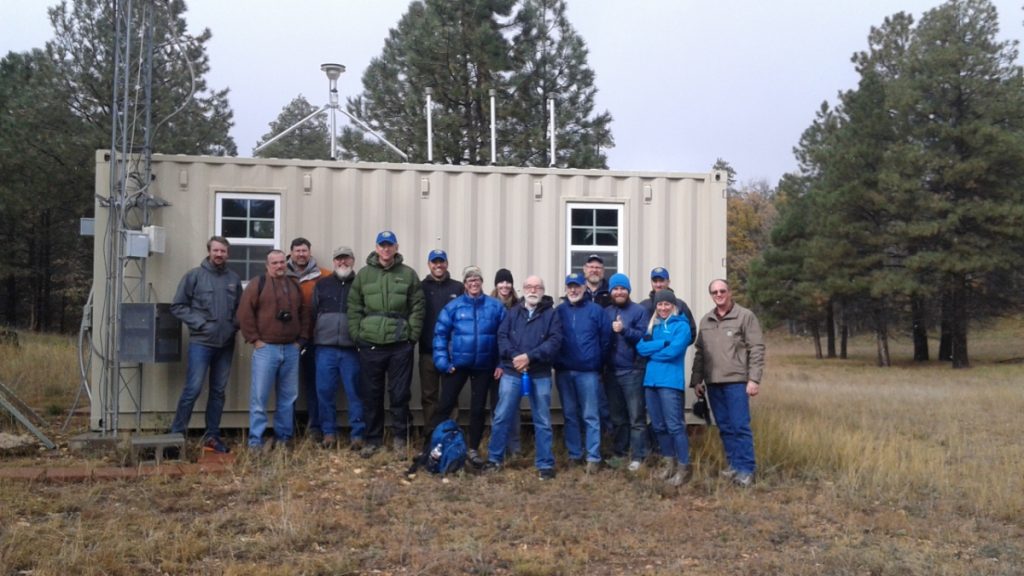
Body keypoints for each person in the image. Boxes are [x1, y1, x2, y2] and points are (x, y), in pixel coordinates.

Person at [414, 265, 505, 469]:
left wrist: (501, 363)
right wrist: (443, 363)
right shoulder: (453, 307)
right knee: (444, 406)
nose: (474, 283)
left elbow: (504, 337)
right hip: (458, 365)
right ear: (464, 284)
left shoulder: (495, 307)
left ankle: (473, 449)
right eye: (470, 280)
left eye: (477, 279)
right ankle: (429, 446)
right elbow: (440, 335)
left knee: (478, 409)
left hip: (484, 366)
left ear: (482, 282)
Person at [347, 230, 425, 458]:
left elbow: (418, 307)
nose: (386, 249)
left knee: (399, 394)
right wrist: (357, 336)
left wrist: (411, 337)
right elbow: (353, 307)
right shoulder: (364, 275)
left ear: (396, 247)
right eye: (382, 245)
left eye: (390, 245)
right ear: (376, 248)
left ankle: (400, 439)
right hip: (370, 344)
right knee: (371, 394)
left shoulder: (408, 274)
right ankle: (373, 440)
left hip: (399, 345)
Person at [484, 275, 563, 480]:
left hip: (540, 374)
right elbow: (502, 337)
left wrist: (530, 357)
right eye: (529, 286)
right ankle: (494, 459)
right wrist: (515, 357)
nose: (533, 290)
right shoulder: (512, 313)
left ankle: (545, 464)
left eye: (537, 287)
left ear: (543, 290)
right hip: (512, 373)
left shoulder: (551, 315)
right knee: (502, 416)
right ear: (523, 289)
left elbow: (554, 342)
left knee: (542, 420)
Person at [169, 236, 243, 454]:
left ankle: (212, 436)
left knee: (218, 392)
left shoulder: (233, 278)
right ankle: (176, 435)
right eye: (216, 250)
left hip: (225, 344)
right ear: (209, 251)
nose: (219, 254)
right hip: (201, 343)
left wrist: (234, 326)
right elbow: (178, 306)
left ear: (228, 254)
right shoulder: (194, 276)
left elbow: (240, 309)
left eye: (223, 251)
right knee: (193, 389)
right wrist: (200, 324)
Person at [690, 279, 765, 487]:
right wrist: (697, 381)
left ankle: (747, 470)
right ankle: (734, 465)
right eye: (715, 292)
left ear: (729, 292)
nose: (719, 294)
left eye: (722, 291)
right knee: (724, 427)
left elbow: (756, 348)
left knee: (740, 426)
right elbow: (700, 353)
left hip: (736, 382)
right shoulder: (706, 320)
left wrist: (754, 379)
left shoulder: (745, 316)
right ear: (711, 295)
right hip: (713, 383)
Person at [238, 249, 311, 452]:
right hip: (266, 349)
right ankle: (255, 441)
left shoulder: (294, 285)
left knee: (288, 398)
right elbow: (244, 313)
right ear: (267, 265)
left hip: (291, 349)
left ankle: (284, 439)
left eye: (282, 262)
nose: (279, 266)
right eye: (275, 263)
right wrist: (255, 340)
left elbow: (304, 314)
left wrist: (301, 340)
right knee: (259, 398)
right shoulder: (257, 284)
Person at [554, 272, 610, 473]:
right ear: (566, 288)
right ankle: (575, 455)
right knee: (570, 415)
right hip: (564, 371)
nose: (573, 290)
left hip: (588, 372)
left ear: (584, 288)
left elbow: (605, 340)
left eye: (577, 286)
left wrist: (596, 362)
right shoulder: (558, 311)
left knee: (590, 415)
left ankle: (593, 457)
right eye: (570, 286)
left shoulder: (596, 311)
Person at [637, 289, 693, 486]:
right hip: (650, 382)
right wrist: (662, 343)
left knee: (674, 426)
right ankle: (669, 464)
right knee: (658, 426)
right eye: (660, 304)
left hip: (670, 383)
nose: (663, 308)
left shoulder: (682, 326)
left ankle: (684, 468)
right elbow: (640, 348)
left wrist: (653, 352)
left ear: (673, 306)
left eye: (667, 304)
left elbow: (673, 352)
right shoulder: (653, 326)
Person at [311, 246, 365, 450]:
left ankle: (357, 434)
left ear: (353, 260)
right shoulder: (322, 284)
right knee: (324, 392)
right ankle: (329, 434)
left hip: (352, 350)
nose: (343, 262)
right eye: (339, 259)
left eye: (346, 259)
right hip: (325, 348)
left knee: (355, 393)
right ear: (334, 262)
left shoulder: (361, 284)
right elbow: (313, 312)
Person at [602, 273, 650, 472]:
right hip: (611, 372)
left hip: (633, 371)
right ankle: (620, 454)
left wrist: (623, 330)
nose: (619, 292)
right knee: (617, 418)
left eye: (623, 288)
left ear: (628, 290)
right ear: (611, 291)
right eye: (615, 288)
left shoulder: (639, 311)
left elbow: (643, 337)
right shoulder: (606, 312)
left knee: (636, 417)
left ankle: (638, 456)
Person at [286, 237, 331, 442]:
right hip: (288, 340)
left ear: (310, 253)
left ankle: (315, 427)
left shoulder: (324, 276)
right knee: (287, 386)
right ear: (291, 253)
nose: (301, 254)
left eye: (304, 251)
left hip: (315, 339)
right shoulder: (281, 275)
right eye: (297, 251)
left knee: (314, 385)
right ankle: (287, 429)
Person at [418, 249, 463, 428]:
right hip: (427, 351)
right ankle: (431, 435)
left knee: (451, 396)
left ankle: (451, 435)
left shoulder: (458, 288)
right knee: (429, 396)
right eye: (434, 262)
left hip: (451, 353)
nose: (438, 265)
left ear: (447, 264)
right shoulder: (420, 287)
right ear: (429, 265)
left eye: (441, 261)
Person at [489, 267, 522, 454]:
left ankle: (514, 447)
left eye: (508, 282)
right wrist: (496, 363)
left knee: (513, 407)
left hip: (512, 363)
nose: (505, 285)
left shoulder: (519, 306)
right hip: (492, 363)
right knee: (497, 406)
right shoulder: (489, 304)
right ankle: (497, 447)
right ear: (496, 284)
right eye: (501, 282)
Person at [640, 267, 696, 339]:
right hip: (647, 346)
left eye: (661, 281)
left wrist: (676, 343)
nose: (658, 284)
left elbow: (691, 332)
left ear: (668, 282)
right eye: (655, 281)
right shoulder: (643, 306)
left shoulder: (680, 305)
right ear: (651, 282)